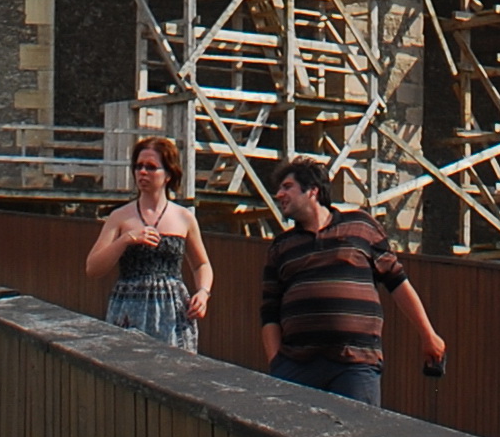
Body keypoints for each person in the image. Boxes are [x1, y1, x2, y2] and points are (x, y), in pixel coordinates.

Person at [256, 160, 442, 405]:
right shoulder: (281, 246)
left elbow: (398, 283)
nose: (279, 194)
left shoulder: (361, 226)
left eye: (287, 187)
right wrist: (276, 362)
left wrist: (428, 334)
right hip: (296, 366)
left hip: (355, 364)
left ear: (312, 190)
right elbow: (269, 311)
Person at [82, 133, 210, 346]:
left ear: (168, 174)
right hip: (130, 307)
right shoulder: (120, 216)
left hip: (172, 309)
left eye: (151, 167)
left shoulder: (184, 217)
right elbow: (92, 268)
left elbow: (201, 264)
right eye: (138, 166)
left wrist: (203, 293)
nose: (142, 172)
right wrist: (125, 240)